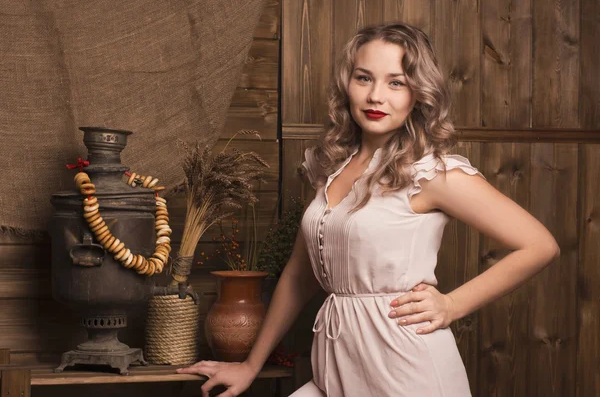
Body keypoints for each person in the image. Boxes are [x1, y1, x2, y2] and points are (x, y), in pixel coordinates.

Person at [177, 22, 560, 397]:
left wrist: (452, 305)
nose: (376, 96)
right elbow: (299, 275)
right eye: (364, 78)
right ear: (347, 85)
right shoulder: (329, 168)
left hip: (405, 369)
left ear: (418, 93)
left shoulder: (431, 173)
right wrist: (250, 365)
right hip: (336, 365)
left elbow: (539, 245)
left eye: (396, 82)